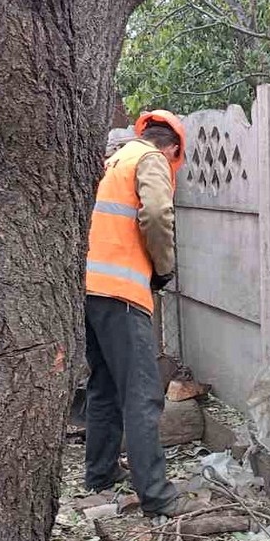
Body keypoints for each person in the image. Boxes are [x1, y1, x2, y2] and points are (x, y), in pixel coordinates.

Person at [84, 110, 200, 517]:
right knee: (143, 393)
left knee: (104, 387)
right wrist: (164, 266)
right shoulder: (151, 160)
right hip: (122, 292)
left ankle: (99, 474)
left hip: (91, 289)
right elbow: (155, 215)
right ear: (171, 148)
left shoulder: (116, 159)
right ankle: (157, 495)